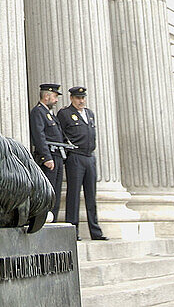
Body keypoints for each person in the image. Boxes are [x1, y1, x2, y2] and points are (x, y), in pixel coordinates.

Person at [58, 86, 107, 240]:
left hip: (89, 157)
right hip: (76, 156)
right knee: (73, 194)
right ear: (72, 98)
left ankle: (95, 231)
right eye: (78, 98)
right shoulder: (65, 114)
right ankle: (73, 231)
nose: (81, 101)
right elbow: (60, 134)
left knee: (91, 195)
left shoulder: (89, 113)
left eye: (83, 98)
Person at [29, 82, 66, 220]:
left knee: (55, 191)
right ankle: (44, 219)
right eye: (55, 96)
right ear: (46, 96)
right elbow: (39, 136)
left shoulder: (48, 113)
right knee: (48, 191)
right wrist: (46, 157)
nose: (56, 100)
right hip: (48, 157)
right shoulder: (38, 112)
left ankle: (53, 219)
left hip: (56, 155)